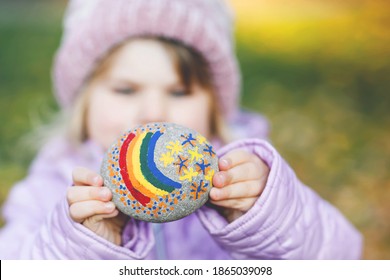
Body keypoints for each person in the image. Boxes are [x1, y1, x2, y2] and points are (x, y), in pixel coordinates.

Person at [0, 0, 362, 259]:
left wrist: (263, 217)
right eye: (126, 90)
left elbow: (342, 257)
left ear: (214, 106)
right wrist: (83, 246)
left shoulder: (244, 177)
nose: (153, 112)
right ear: (84, 104)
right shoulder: (50, 189)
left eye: (179, 92)